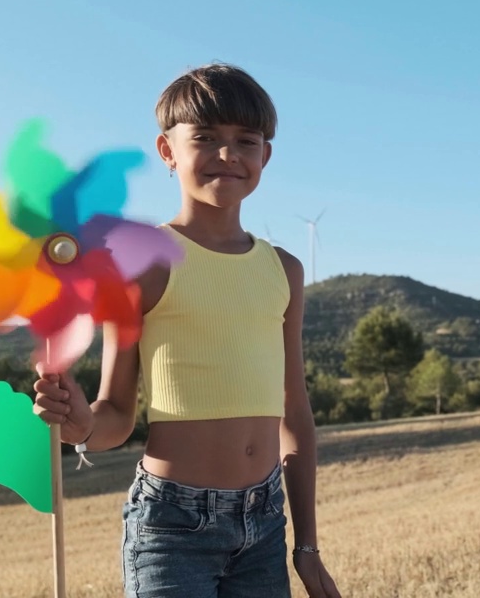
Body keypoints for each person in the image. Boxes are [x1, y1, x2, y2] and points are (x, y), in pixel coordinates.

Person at [33, 62, 342, 598]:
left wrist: (307, 548)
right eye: (205, 138)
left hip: (265, 523)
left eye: (246, 140)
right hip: (172, 528)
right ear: (167, 151)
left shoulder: (284, 270)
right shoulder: (141, 265)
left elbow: (295, 415)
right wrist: (79, 425)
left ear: (265, 155)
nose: (228, 154)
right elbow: (114, 418)